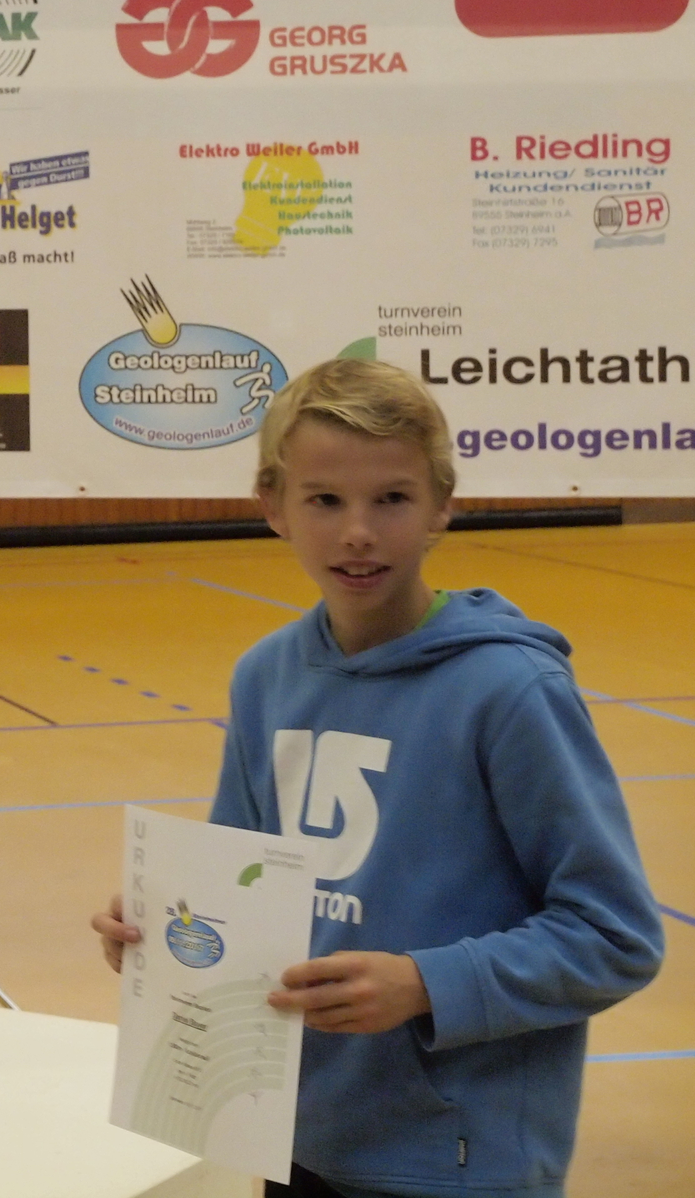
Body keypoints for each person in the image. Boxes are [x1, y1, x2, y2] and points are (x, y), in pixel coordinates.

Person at [90, 360, 662, 1198]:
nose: (358, 532)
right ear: (272, 505)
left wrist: (427, 985)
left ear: (441, 505)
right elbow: (237, 894)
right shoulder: (266, 676)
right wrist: (160, 924)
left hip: (457, 1160)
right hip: (295, 1133)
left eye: (391, 499)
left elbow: (615, 937)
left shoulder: (509, 690)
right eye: (325, 500)